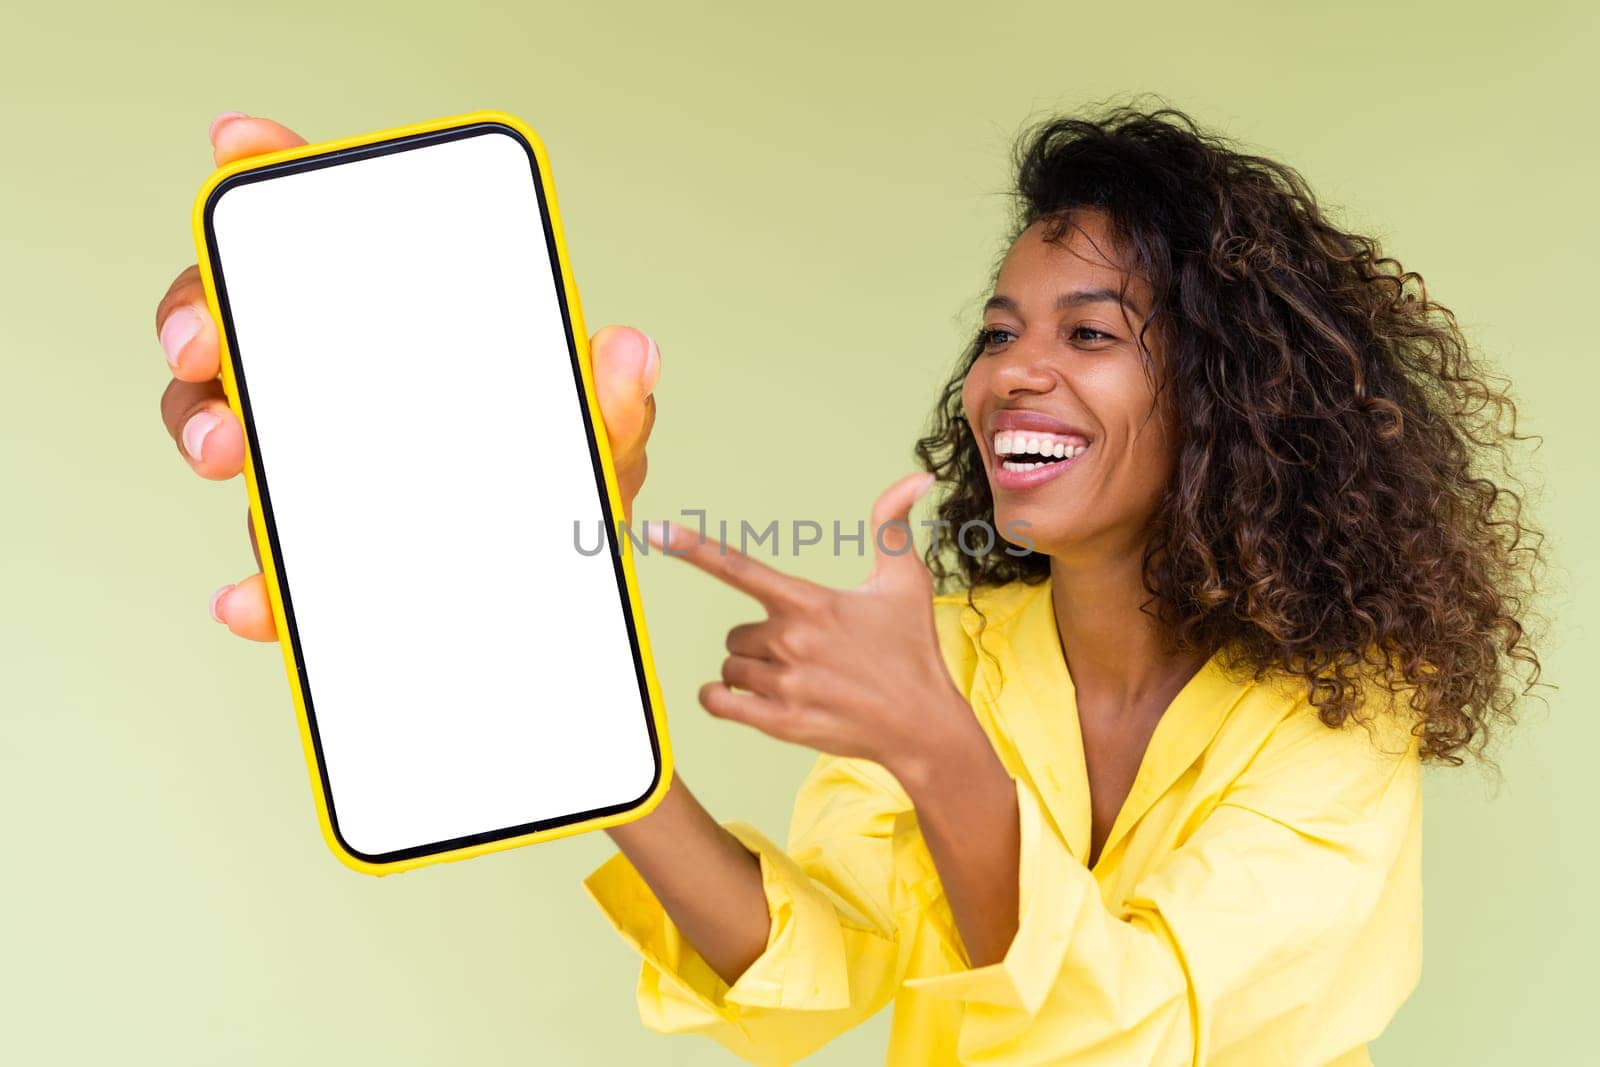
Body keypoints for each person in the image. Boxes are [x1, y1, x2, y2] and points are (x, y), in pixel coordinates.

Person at [157, 105, 1543, 1066]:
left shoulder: (1345, 714)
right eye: (1000, 330)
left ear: (1235, 397)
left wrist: (934, 745)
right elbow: (811, 974)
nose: (1012, 368)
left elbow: (1127, 1039)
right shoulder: (951, 650)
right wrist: (585, 701)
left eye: (1090, 331)